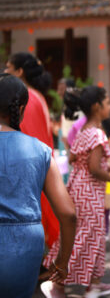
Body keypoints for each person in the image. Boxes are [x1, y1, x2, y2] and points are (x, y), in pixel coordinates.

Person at [41, 86, 110, 298]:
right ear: (97, 107)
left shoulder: (83, 132)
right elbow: (95, 168)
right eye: (107, 103)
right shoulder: (97, 134)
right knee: (87, 237)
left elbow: (72, 159)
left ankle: (91, 283)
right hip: (90, 192)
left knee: (80, 235)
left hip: (78, 189)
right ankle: (59, 285)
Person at [0, 74, 76, 298]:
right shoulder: (40, 150)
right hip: (24, 246)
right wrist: (61, 264)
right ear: (21, 108)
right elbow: (68, 214)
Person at [4, 52, 60, 249]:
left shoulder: (26, 99)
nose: (5, 71)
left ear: (19, 72)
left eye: (8, 67)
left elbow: (27, 139)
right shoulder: (35, 95)